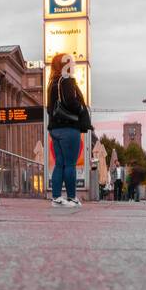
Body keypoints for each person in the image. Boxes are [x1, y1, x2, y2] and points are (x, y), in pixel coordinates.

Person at [46, 53, 93, 208]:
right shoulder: (66, 81)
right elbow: (70, 101)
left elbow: (49, 108)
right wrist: (80, 109)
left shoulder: (52, 83)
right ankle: (72, 198)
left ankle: (57, 198)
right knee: (70, 164)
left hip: (55, 128)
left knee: (59, 164)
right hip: (68, 127)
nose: (73, 65)